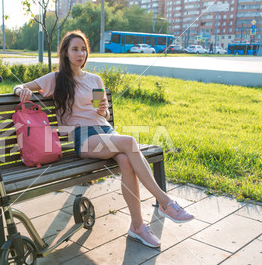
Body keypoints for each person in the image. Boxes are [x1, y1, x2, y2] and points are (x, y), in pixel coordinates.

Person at [13, 30, 194, 248]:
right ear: (65, 53)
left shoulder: (94, 79)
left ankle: (137, 227)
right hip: (83, 136)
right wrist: (20, 90)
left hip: (105, 131)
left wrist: (103, 111)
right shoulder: (56, 79)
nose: (80, 54)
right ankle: (165, 202)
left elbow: (104, 114)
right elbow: (22, 85)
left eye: (83, 49)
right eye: (75, 49)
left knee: (126, 160)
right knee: (129, 142)